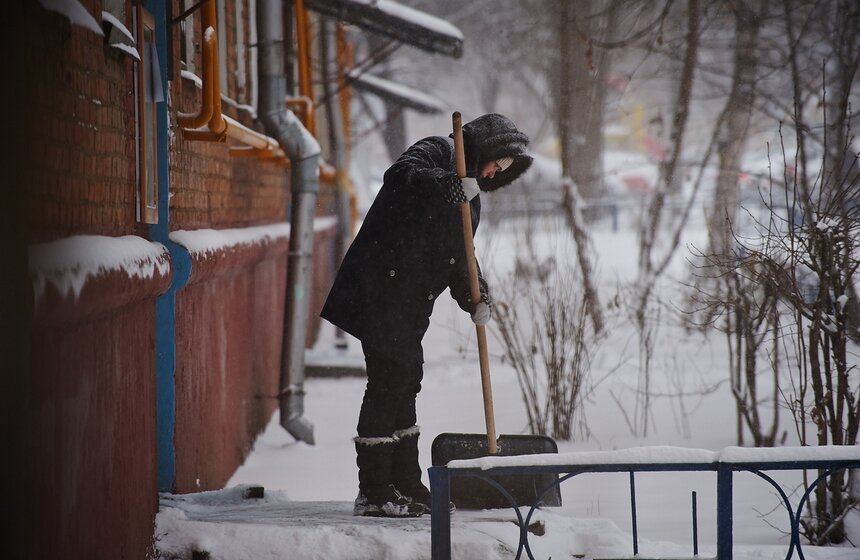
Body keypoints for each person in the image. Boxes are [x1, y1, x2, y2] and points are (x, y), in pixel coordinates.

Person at [321, 113, 533, 517]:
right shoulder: (438, 150)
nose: (495, 172)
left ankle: (405, 482)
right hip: (381, 289)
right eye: (498, 161)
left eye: (505, 169)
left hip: (410, 303)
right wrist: (445, 183)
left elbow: (460, 258)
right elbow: (401, 173)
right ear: (487, 147)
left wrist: (476, 296)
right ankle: (374, 491)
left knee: (406, 381)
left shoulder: (472, 201)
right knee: (389, 383)